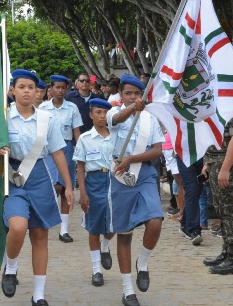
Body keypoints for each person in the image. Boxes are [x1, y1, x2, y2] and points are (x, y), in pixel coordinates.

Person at [0, 69, 74, 305]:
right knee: (18, 226)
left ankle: (39, 294)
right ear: (12, 91)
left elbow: (58, 152)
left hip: (40, 175)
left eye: (31, 87)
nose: (27, 91)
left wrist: (69, 186)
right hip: (11, 175)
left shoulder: (46, 119)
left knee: (40, 235)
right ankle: (11, 267)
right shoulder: (1, 118)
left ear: (38, 91)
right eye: (21, 87)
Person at [107, 74, 164, 306]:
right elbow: (118, 119)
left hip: (145, 174)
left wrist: (132, 158)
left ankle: (143, 261)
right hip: (120, 176)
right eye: (128, 93)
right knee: (124, 233)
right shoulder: (113, 112)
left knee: (155, 221)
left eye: (137, 94)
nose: (133, 97)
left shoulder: (150, 119)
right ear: (121, 95)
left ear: (143, 95)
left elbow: (158, 149)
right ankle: (127, 289)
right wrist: (132, 108)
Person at [73, 98, 116, 287]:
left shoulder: (116, 136)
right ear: (90, 115)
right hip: (94, 182)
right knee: (94, 226)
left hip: (115, 182)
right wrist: (82, 193)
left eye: (105, 113)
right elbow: (80, 168)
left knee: (116, 224)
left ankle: (105, 246)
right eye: (98, 112)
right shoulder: (85, 138)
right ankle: (96, 269)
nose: (102, 116)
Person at [202, 108, 233, 275]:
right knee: (221, 209)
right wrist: (207, 163)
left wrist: (225, 169)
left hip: (229, 163)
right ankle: (226, 252)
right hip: (216, 160)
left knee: (230, 210)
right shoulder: (219, 103)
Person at [39, 75, 83, 243]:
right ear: (50, 89)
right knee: (52, 186)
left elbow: (76, 132)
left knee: (66, 187)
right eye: (57, 87)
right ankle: (46, 221)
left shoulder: (72, 108)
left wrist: (80, 153)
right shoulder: (43, 108)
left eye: (63, 87)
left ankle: (64, 229)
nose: (60, 90)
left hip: (67, 148)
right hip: (48, 149)